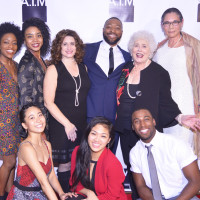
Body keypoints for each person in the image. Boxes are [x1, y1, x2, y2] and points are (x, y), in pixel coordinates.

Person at [115, 30, 200, 200]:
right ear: (131, 49)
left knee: (151, 170)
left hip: (146, 130)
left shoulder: (159, 73)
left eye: (144, 46)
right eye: (136, 46)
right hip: (126, 129)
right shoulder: (125, 69)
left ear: (151, 50)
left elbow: (166, 101)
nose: (139, 49)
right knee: (134, 171)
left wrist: (180, 117)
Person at [43, 29, 91, 192]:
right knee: (65, 163)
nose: (69, 47)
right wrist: (67, 124)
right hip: (62, 123)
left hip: (81, 122)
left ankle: (74, 192)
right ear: (58, 47)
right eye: (65, 44)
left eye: (72, 43)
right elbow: (48, 102)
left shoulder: (83, 67)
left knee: (78, 161)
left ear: (77, 46)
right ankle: (64, 195)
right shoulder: (53, 69)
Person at [154, 7, 200, 155]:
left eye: (175, 22)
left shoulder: (193, 46)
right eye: (167, 23)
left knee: (183, 155)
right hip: (165, 111)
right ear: (162, 25)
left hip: (186, 109)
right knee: (166, 154)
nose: (171, 26)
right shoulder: (158, 49)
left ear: (182, 23)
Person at [7, 103, 77, 200]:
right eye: (32, 118)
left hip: (41, 193)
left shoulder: (47, 144)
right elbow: (43, 182)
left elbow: (51, 175)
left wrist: (61, 194)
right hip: (23, 197)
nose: (38, 120)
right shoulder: (26, 147)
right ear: (24, 125)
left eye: (40, 115)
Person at [130, 108, 200, 200]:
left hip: (182, 196)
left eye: (146, 119)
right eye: (137, 121)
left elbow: (195, 182)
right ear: (133, 127)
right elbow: (140, 187)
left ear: (154, 122)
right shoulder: (134, 152)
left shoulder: (176, 143)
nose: (142, 125)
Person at [84, 17, 132, 124]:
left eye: (117, 28)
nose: (112, 31)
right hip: (89, 115)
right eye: (109, 27)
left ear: (122, 32)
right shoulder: (87, 50)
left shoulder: (127, 57)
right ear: (103, 30)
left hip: (114, 117)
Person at [69, 116, 127, 200]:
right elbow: (74, 183)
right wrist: (90, 193)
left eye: (103, 136)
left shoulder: (113, 163)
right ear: (88, 134)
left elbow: (112, 196)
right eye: (93, 133)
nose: (97, 139)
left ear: (109, 140)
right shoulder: (78, 152)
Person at [0, 22, 23, 200]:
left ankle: (9, 195)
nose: (11, 46)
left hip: (15, 120)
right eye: (6, 42)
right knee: (8, 161)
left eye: (14, 42)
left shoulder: (15, 64)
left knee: (13, 161)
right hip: (2, 121)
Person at [18, 17, 51, 138]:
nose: (35, 40)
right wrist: (38, 130)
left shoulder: (39, 59)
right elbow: (25, 100)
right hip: (36, 126)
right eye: (30, 36)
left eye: (38, 35)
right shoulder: (27, 62)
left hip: (43, 119)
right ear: (24, 40)